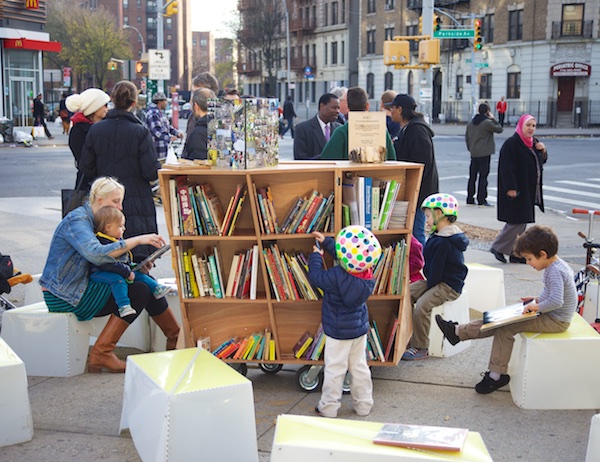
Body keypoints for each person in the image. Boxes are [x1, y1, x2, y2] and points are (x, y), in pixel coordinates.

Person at [39, 177, 180, 373]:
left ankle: (175, 337)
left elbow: (109, 264)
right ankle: (101, 354)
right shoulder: (78, 220)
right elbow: (96, 255)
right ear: (98, 200)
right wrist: (138, 240)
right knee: (138, 290)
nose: (120, 207)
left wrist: (136, 267)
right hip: (66, 295)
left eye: (120, 201)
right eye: (115, 201)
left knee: (146, 282)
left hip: (85, 286)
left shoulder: (100, 220)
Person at [436, 225, 576, 394]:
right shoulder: (555, 266)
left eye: (529, 258)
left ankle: (495, 376)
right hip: (550, 314)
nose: (527, 262)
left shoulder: (554, 271)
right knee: (499, 318)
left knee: (506, 327)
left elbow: (557, 301)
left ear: (543, 254)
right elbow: (554, 295)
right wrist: (536, 300)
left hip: (556, 320)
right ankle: (458, 331)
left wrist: (537, 306)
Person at [80, 80, 161, 264]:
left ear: (112, 101)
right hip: (137, 200)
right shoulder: (140, 131)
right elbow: (150, 171)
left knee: (106, 250)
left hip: (105, 199)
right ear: (133, 103)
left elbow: (86, 166)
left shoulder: (96, 130)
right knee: (138, 257)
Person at [309, 226, 382, 418]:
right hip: (358, 329)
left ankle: (329, 407)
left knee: (335, 369)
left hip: (338, 331)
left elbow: (316, 277)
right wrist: (327, 242)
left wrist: (316, 256)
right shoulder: (367, 272)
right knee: (359, 367)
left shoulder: (336, 276)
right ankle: (364, 405)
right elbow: (348, 255)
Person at [402, 194, 468, 361]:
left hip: (449, 285)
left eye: (428, 216)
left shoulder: (445, 241)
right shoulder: (440, 235)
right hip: (436, 279)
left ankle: (421, 346)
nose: (426, 220)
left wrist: (427, 287)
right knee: (406, 294)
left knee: (422, 306)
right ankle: (408, 336)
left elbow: (436, 271)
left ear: (439, 214)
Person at [90, 206, 173, 318]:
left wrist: (133, 267)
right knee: (118, 280)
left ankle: (156, 288)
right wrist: (127, 272)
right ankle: (123, 305)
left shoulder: (115, 239)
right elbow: (107, 263)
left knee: (139, 274)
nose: (124, 229)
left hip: (117, 269)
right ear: (108, 227)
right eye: (120, 226)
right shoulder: (102, 242)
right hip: (100, 272)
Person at [490, 114, 547, 265]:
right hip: (517, 190)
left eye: (533, 126)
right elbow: (506, 168)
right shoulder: (512, 144)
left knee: (521, 222)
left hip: (527, 189)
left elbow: (538, 163)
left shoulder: (533, 143)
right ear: (521, 126)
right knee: (516, 222)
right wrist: (510, 188)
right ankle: (498, 247)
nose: (531, 128)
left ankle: (516, 254)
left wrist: (543, 151)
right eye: (528, 125)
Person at [386, 93, 439, 247]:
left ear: (400, 109)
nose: (391, 112)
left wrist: (413, 186)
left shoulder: (417, 130)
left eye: (393, 108)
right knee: (413, 232)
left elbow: (423, 162)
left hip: (418, 192)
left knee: (416, 233)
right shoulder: (409, 128)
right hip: (413, 191)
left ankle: (420, 266)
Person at [320, 86, 396, 160]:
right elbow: (392, 160)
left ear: (348, 108)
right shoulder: (382, 131)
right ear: (367, 106)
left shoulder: (341, 132)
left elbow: (327, 161)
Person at [66, 88, 111, 191]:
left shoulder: (106, 126)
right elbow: (84, 162)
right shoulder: (78, 131)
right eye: (105, 105)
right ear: (94, 108)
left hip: (107, 183)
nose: (107, 109)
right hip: (89, 185)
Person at [465, 103, 503, 207]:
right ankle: (481, 199)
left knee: (472, 177)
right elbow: (499, 129)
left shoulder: (470, 123)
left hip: (474, 153)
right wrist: (493, 118)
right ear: (487, 111)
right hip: (485, 153)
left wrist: (471, 149)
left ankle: (470, 198)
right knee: (483, 177)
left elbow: (467, 138)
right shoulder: (487, 123)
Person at [293, 93, 341, 160]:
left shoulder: (339, 129)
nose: (337, 111)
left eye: (338, 108)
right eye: (334, 108)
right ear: (322, 106)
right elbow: (300, 158)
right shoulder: (303, 129)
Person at [182, 72, 219, 158]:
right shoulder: (193, 117)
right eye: (192, 92)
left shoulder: (220, 121)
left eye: (197, 93)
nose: (192, 97)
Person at [146, 92, 183, 159]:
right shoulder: (153, 113)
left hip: (162, 149)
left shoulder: (160, 112)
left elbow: (167, 127)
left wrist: (177, 133)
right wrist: (169, 138)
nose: (166, 103)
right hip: (157, 149)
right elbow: (157, 131)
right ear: (160, 102)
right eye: (165, 101)